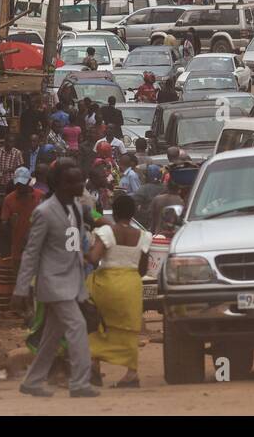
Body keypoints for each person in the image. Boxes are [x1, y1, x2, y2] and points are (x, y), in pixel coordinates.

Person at [13, 158, 99, 398]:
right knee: (77, 327)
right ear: (60, 184)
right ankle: (80, 383)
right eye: (73, 181)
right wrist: (21, 289)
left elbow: (73, 245)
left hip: (72, 279)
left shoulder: (75, 209)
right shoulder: (44, 212)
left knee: (52, 336)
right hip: (53, 282)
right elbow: (31, 253)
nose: (80, 184)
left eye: (80, 179)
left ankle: (32, 381)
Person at [85, 194, 152, 388]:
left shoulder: (107, 231)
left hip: (106, 283)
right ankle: (131, 374)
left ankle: (94, 366)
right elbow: (143, 269)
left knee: (97, 323)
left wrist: (85, 254)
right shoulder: (144, 236)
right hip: (131, 284)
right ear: (133, 213)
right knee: (129, 329)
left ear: (113, 212)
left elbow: (94, 258)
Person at [0, 166, 43, 312]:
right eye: (18, 184)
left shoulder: (40, 196)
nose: (20, 187)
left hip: (38, 248)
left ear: (29, 181)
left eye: (23, 184)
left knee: (37, 281)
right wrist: (8, 223)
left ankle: (34, 311)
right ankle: (25, 312)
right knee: (21, 281)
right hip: (17, 247)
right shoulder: (9, 200)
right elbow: (3, 223)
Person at [0, 134, 26, 212]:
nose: (11, 144)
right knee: (0, 203)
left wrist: (10, 170)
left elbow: (21, 167)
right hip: (1, 182)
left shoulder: (17, 152)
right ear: (5, 142)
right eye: (9, 142)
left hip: (13, 183)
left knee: (12, 203)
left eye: (12, 142)